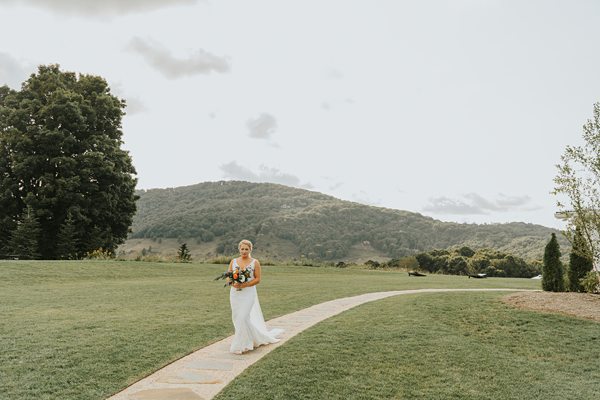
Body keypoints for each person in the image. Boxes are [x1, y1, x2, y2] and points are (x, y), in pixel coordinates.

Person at [228, 239, 283, 354]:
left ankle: (242, 345)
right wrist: (234, 283)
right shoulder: (233, 262)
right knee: (238, 318)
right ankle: (250, 338)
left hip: (248, 293)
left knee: (243, 317)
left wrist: (245, 284)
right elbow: (229, 276)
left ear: (250, 250)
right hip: (235, 293)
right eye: (242, 249)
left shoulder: (255, 262)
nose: (244, 251)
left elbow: (258, 279)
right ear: (239, 249)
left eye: (246, 249)